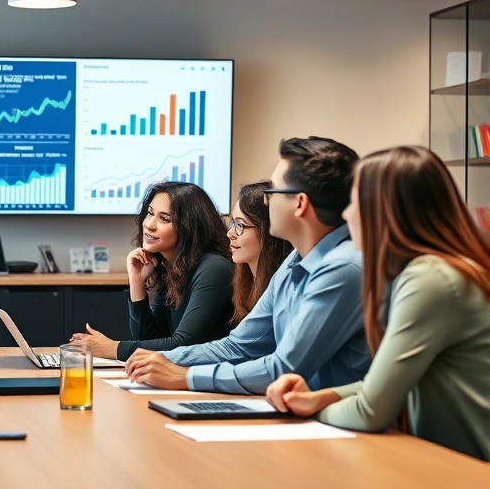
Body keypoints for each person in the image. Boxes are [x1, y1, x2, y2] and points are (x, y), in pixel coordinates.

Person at [266, 146, 490, 461]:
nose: (345, 214)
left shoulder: (431, 279)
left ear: (382, 209)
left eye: (354, 203)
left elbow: (371, 411)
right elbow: (381, 386)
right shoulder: (429, 271)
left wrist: (305, 413)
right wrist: (318, 398)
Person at [125, 137, 371, 394]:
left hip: (337, 426)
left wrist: (185, 377)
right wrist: (155, 360)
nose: (266, 202)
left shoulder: (342, 268)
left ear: (300, 203)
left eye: (272, 192)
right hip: (302, 416)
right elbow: (239, 346)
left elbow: (283, 369)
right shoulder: (294, 262)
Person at [70, 182, 234, 360]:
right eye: (150, 213)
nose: (149, 225)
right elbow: (150, 339)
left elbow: (183, 344)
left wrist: (112, 348)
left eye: (164, 219)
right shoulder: (172, 267)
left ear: (189, 227)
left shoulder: (214, 267)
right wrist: (136, 282)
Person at [228, 181, 294, 325]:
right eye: (233, 223)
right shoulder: (245, 281)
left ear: (268, 231)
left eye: (240, 225)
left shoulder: (286, 288)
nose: (230, 233)